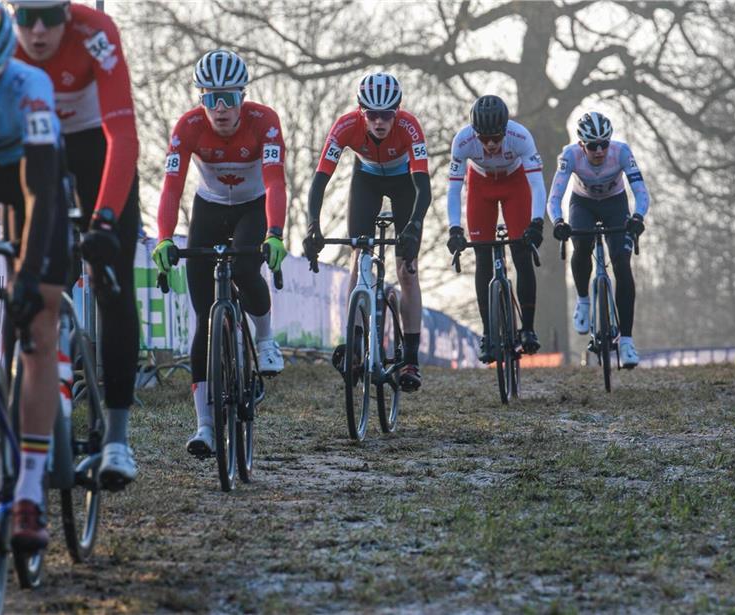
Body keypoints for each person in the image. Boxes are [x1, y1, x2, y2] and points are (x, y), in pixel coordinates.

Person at [11, 0, 140, 488]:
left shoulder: (97, 32)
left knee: (115, 286)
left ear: (68, 12)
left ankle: (118, 440)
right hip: (30, 149)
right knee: (23, 278)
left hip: (95, 146)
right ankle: (20, 412)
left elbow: (123, 134)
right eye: (26, 18)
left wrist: (105, 218)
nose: (38, 30)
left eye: (49, 16)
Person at [152, 49, 287, 457]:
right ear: (201, 99)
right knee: (203, 323)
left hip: (252, 205)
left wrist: (276, 233)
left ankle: (264, 341)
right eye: (212, 98)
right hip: (208, 207)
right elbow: (172, 187)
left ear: (243, 96)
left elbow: (276, 181)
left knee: (247, 267)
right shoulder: (187, 127)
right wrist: (164, 237)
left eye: (230, 97)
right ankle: (205, 426)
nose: (222, 108)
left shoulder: (264, 121)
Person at [0, 0, 68, 550]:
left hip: (29, 178)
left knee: (38, 321)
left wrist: (29, 276)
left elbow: (39, 191)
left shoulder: (29, 84)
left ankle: (30, 495)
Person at [303, 72, 431, 391]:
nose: (379, 122)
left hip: (405, 184)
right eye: (372, 114)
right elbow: (320, 180)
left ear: (397, 111)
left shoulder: (409, 127)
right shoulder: (346, 126)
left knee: (407, 269)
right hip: (367, 180)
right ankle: (355, 345)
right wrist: (312, 226)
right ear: (361, 111)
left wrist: (413, 227)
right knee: (359, 256)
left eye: (386, 114)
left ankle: (411, 358)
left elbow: (423, 188)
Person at [446, 95, 547, 362]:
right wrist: (454, 229)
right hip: (480, 185)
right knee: (482, 256)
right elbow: (453, 189)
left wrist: (537, 223)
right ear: (474, 133)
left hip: (515, 184)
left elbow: (536, 184)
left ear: (506, 130)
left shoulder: (521, 136)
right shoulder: (462, 140)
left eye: (496, 138)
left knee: (522, 253)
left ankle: (527, 329)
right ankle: (489, 335)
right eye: (484, 138)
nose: (490, 144)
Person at [548, 111, 650, 367]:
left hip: (615, 204)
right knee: (581, 246)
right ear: (582, 144)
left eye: (604, 143)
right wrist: (558, 222)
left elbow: (640, 191)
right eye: (593, 146)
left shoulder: (622, 152)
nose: (599, 151)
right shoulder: (569, 155)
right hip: (582, 204)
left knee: (622, 264)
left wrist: (637, 216)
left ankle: (626, 341)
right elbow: (554, 197)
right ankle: (583, 300)